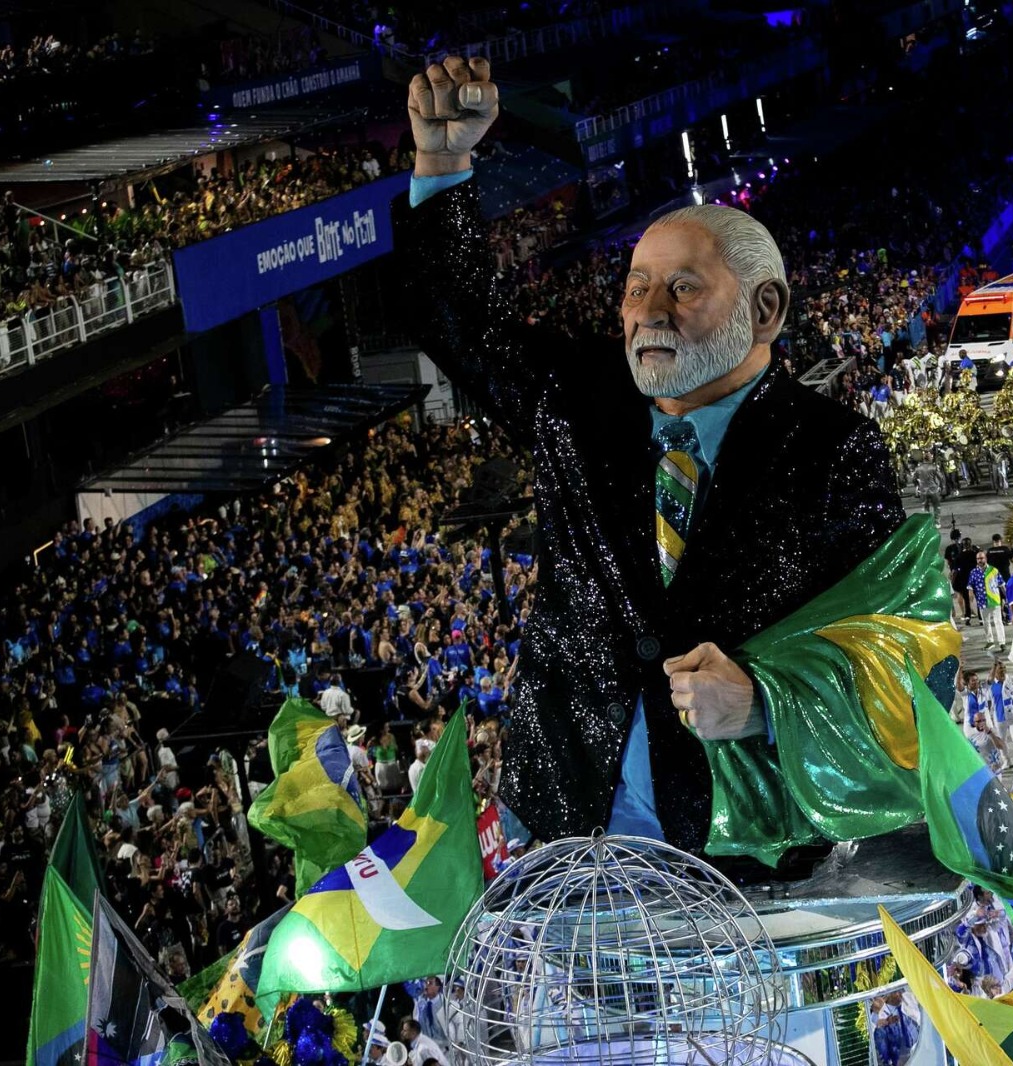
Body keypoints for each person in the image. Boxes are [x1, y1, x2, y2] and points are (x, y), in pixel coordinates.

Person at [400, 57, 933, 855]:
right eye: (635, 286)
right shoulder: (573, 401)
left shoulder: (833, 448)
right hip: (569, 821)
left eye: (683, 288)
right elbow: (458, 320)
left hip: (742, 846)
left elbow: (895, 643)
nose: (648, 312)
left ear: (764, 308)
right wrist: (442, 163)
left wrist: (766, 703)